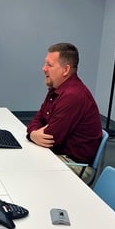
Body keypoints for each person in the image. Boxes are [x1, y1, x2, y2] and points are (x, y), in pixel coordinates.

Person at [26, 43, 102, 178]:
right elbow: (38, 118)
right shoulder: (56, 90)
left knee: (26, 169)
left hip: (73, 165)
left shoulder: (73, 96)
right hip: (59, 155)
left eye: (49, 65)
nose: (43, 69)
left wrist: (32, 133)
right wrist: (32, 134)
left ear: (65, 70)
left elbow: (51, 139)